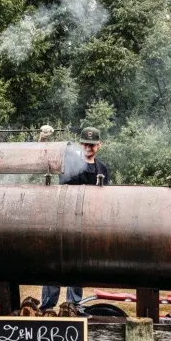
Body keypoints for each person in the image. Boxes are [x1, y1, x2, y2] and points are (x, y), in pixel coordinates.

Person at [39, 126, 109, 311]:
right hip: (61, 219)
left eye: (92, 144)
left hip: (86, 225)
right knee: (54, 264)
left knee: (78, 265)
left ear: (99, 145)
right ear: (81, 143)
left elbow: (105, 198)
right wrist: (43, 140)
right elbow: (45, 157)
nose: (89, 147)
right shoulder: (68, 161)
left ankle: (73, 307)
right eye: (86, 143)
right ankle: (47, 307)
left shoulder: (102, 168)